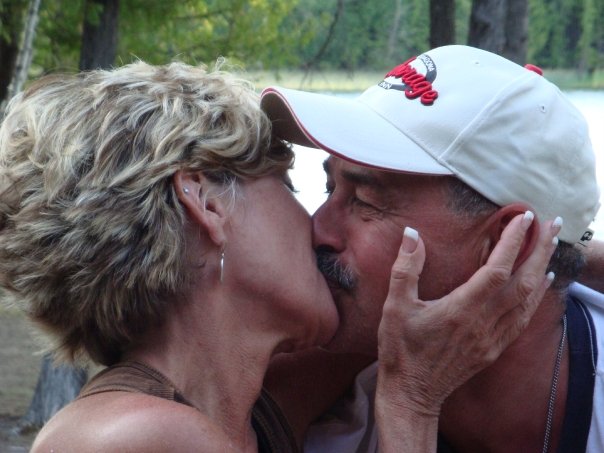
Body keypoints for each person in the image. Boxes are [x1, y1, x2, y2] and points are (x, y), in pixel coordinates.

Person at [0, 59, 557, 452]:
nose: (315, 224)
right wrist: (411, 404)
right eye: (287, 184)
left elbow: (426, 303)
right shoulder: (134, 438)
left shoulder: (248, 404)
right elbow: (410, 367)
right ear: (207, 203)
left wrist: (558, 243)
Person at [261, 44, 604, 452]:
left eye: (365, 202)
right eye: (329, 187)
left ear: (507, 245)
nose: (318, 230)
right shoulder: (321, 405)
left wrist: (411, 402)